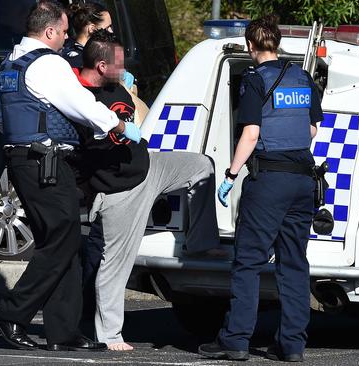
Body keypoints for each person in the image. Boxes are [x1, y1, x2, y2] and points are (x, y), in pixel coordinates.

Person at [0, 0, 141, 352]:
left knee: (64, 242)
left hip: (25, 160)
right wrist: (116, 124)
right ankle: (11, 314)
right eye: (65, 30)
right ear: (50, 31)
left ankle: (63, 331)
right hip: (47, 162)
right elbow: (81, 104)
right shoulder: (48, 63)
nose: (69, 36)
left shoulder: (9, 64)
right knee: (63, 239)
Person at [72, 29, 225, 351]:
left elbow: (136, 118)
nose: (124, 67)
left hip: (149, 168)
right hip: (120, 191)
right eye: (118, 63)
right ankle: (110, 335)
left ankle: (199, 243)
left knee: (202, 166)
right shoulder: (79, 99)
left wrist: (129, 90)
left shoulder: (115, 85)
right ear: (101, 65)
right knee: (115, 265)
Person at [198, 15, 323, 362]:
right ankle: (292, 345)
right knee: (295, 263)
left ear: (251, 47)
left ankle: (235, 340)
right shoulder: (302, 77)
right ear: (278, 43)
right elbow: (312, 130)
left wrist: (230, 174)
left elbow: (251, 134)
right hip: (302, 180)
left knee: (249, 262)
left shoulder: (254, 80)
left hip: (269, 181)